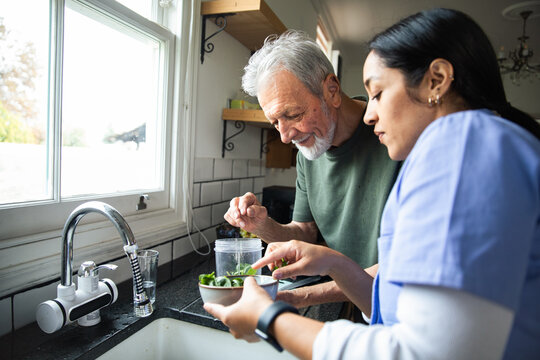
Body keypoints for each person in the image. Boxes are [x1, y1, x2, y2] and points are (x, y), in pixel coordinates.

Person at [205, 8, 540, 360]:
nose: (368, 113)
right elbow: (393, 298)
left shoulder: (465, 148)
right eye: (276, 122)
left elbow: (426, 352)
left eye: (377, 93)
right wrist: (332, 261)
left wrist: (270, 320)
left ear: (437, 80)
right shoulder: (449, 150)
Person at [224, 30, 401, 310]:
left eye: (293, 115)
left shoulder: (396, 137)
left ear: (331, 91)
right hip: (344, 298)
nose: (284, 136)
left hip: (391, 299)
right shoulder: (309, 152)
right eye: (275, 122)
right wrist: (261, 226)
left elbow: (406, 266)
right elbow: (305, 231)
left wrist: (297, 297)